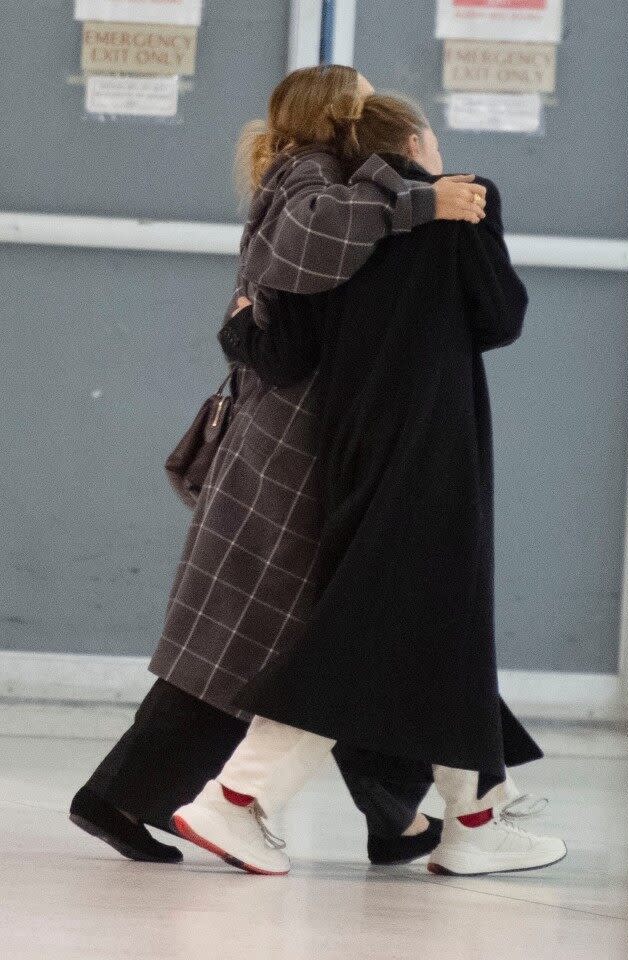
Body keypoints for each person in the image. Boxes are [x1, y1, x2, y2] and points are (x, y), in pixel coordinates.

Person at [70, 66, 489, 866]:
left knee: (328, 639)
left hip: (295, 447)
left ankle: (393, 816)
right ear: (336, 114)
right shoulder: (311, 179)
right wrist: (421, 200)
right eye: (364, 100)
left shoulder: (313, 179)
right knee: (266, 642)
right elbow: (308, 249)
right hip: (285, 456)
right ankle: (120, 796)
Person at [172, 93, 567, 877]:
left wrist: (243, 320)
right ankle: (237, 800)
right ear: (415, 139)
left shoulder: (334, 221)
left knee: (430, 627)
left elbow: (285, 350)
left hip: (347, 445)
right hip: (432, 447)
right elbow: (500, 316)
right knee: (360, 637)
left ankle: (478, 815)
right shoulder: (461, 200)